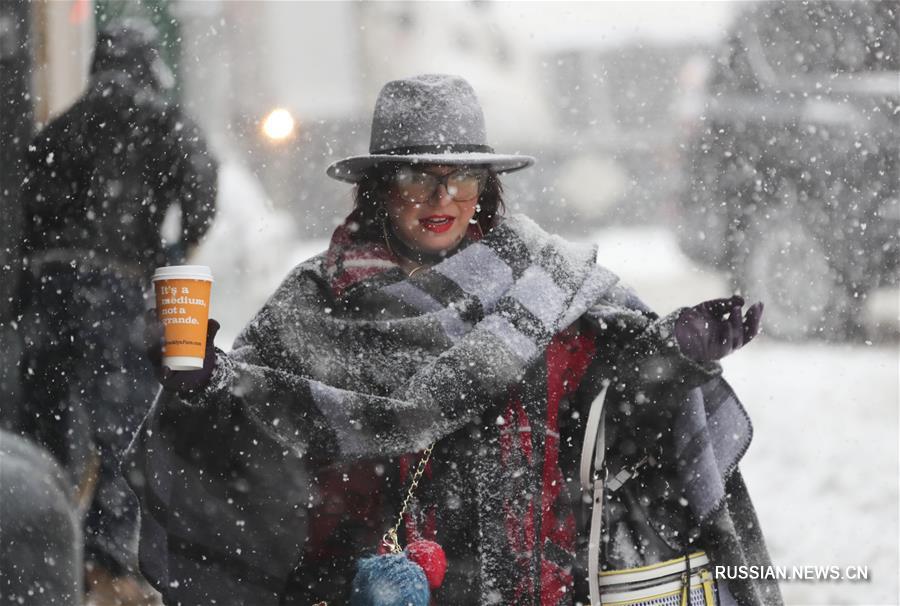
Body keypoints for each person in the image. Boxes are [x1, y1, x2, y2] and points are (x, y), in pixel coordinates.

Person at [131, 74, 781, 605]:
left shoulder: (545, 285)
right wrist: (204, 393)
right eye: (418, 176)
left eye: (461, 176)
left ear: (485, 187)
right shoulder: (316, 302)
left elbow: (610, 424)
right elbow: (250, 468)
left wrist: (673, 358)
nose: (442, 196)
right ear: (380, 188)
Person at [15, 17, 218, 604]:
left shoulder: (60, 128)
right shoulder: (164, 121)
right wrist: (174, 248)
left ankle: (47, 555)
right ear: (150, 64)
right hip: (116, 289)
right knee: (125, 427)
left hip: (48, 291)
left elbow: (24, 211)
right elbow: (203, 188)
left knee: (49, 422)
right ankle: (110, 563)